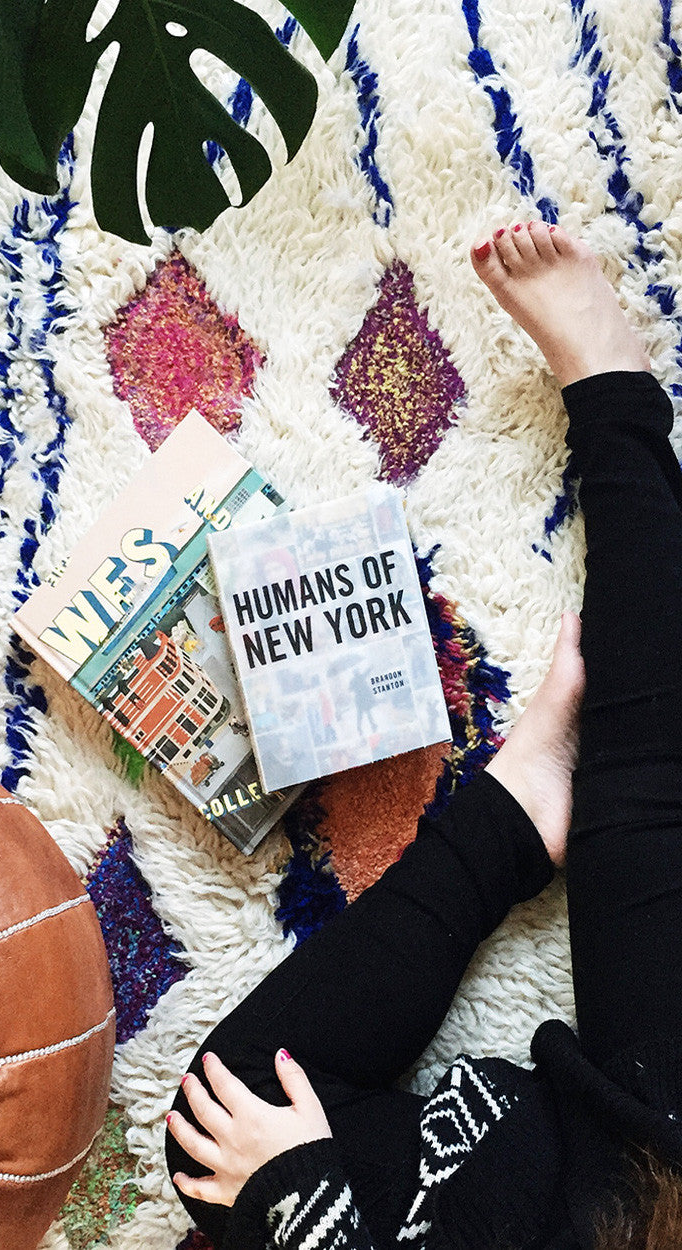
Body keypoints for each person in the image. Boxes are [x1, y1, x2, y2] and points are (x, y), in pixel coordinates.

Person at [164, 222, 682, 1249]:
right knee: (643, 786)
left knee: (211, 1125)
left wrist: (301, 1209)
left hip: (452, 1204)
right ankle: (616, 401)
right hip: (639, 1179)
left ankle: (512, 818)